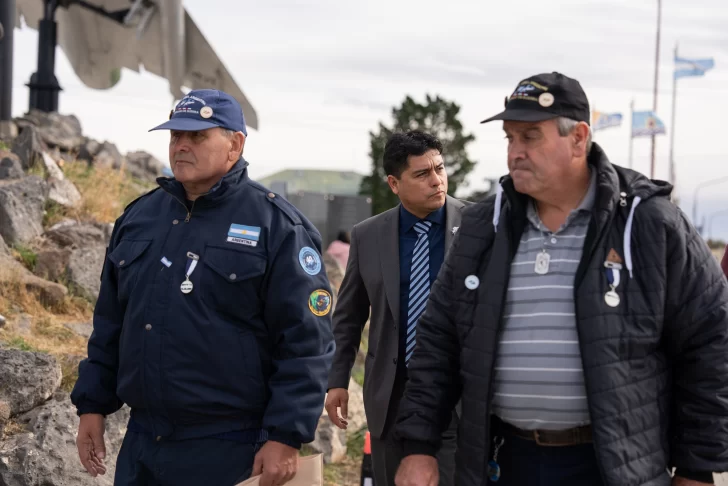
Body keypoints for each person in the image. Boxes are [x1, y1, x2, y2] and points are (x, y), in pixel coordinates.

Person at [392, 72, 728, 486]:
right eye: (510, 138)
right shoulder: (485, 227)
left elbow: (711, 344)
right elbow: (438, 342)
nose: (515, 152)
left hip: (614, 467)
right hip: (504, 461)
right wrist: (419, 445)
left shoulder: (647, 223)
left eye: (530, 136)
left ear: (578, 138)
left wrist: (696, 468)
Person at [70, 89, 335, 486]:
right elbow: (110, 324)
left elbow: (306, 341)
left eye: (197, 136)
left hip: (230, 446)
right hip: (143, 442)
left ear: (235, 145)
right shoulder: (140, 217)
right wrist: (92, 405)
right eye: (176, 135)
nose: (182, 145)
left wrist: (285, 433)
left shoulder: (277, 226)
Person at [325, 131, 469, 486]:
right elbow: (349, 316)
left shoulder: (477, 226)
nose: (437, 181)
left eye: (439, 168)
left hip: (459, 395)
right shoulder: (368, 235)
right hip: (391, 396)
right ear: (394, 183)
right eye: (422, 174)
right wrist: (337, 380)